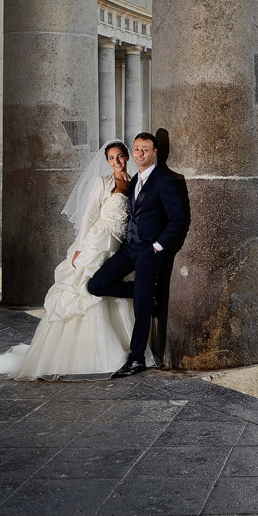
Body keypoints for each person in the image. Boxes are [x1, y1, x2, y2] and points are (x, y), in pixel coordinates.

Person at [0, 141, 138, 380]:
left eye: (120, 156)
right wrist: (81, 246)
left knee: (108, 288)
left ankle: (120, 343)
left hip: (119, 245)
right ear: (107, 161)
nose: (117, 161)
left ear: (127, 157)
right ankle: (85, 354)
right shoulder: (102, 183)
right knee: (84, 292)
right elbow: (88, 216)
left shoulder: (134, 182)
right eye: (112, 158)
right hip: (97, 242)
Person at [87, 132, 187, 379]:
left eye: (145, 149)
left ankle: (136, 359)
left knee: (142, 306)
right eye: (136, 149)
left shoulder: (165, 181)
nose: (139, 153)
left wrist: (157, 246)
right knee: (96, 284)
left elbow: (178, 220)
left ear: (154, 153)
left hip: (149, 251)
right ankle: (146, 293)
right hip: (129, 247)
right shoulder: (132, 182)